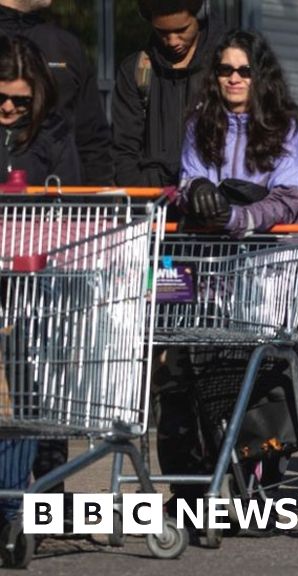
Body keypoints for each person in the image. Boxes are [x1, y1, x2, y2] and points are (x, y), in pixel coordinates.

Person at [164, 29, 298, 506]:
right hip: (213, 268)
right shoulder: (201, 123)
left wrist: (238, 217)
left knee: (270, 375)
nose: (233, 79)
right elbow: (189, 178)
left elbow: (287, 199)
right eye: (224, 70)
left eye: (243, 70)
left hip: (268, 269)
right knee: (205, 372)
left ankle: (266, 478)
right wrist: (197, 196)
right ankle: (205, 482)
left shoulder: (284, 125)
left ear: (259, 76)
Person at [0, 33, 80, 532]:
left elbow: (68, 210)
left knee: (24, 396)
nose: (8, 107)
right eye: (0, 97)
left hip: (29, 286)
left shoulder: (51, 135)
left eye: (20, 100)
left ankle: (12, 506)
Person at [0, 0, 112, 185]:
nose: (8, 106)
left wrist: (101, 200)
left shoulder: (65, 45)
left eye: (21, 100)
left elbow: (92, 140)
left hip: (58, 201)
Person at [113, 0, 223, 186]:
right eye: (162, 32)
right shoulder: (136, 70)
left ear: (201, 15)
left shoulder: (227, 68)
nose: (173, 41)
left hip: (212, 200)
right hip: (151, 202)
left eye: (182, 30)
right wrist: (137, 196)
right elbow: (123, 150)